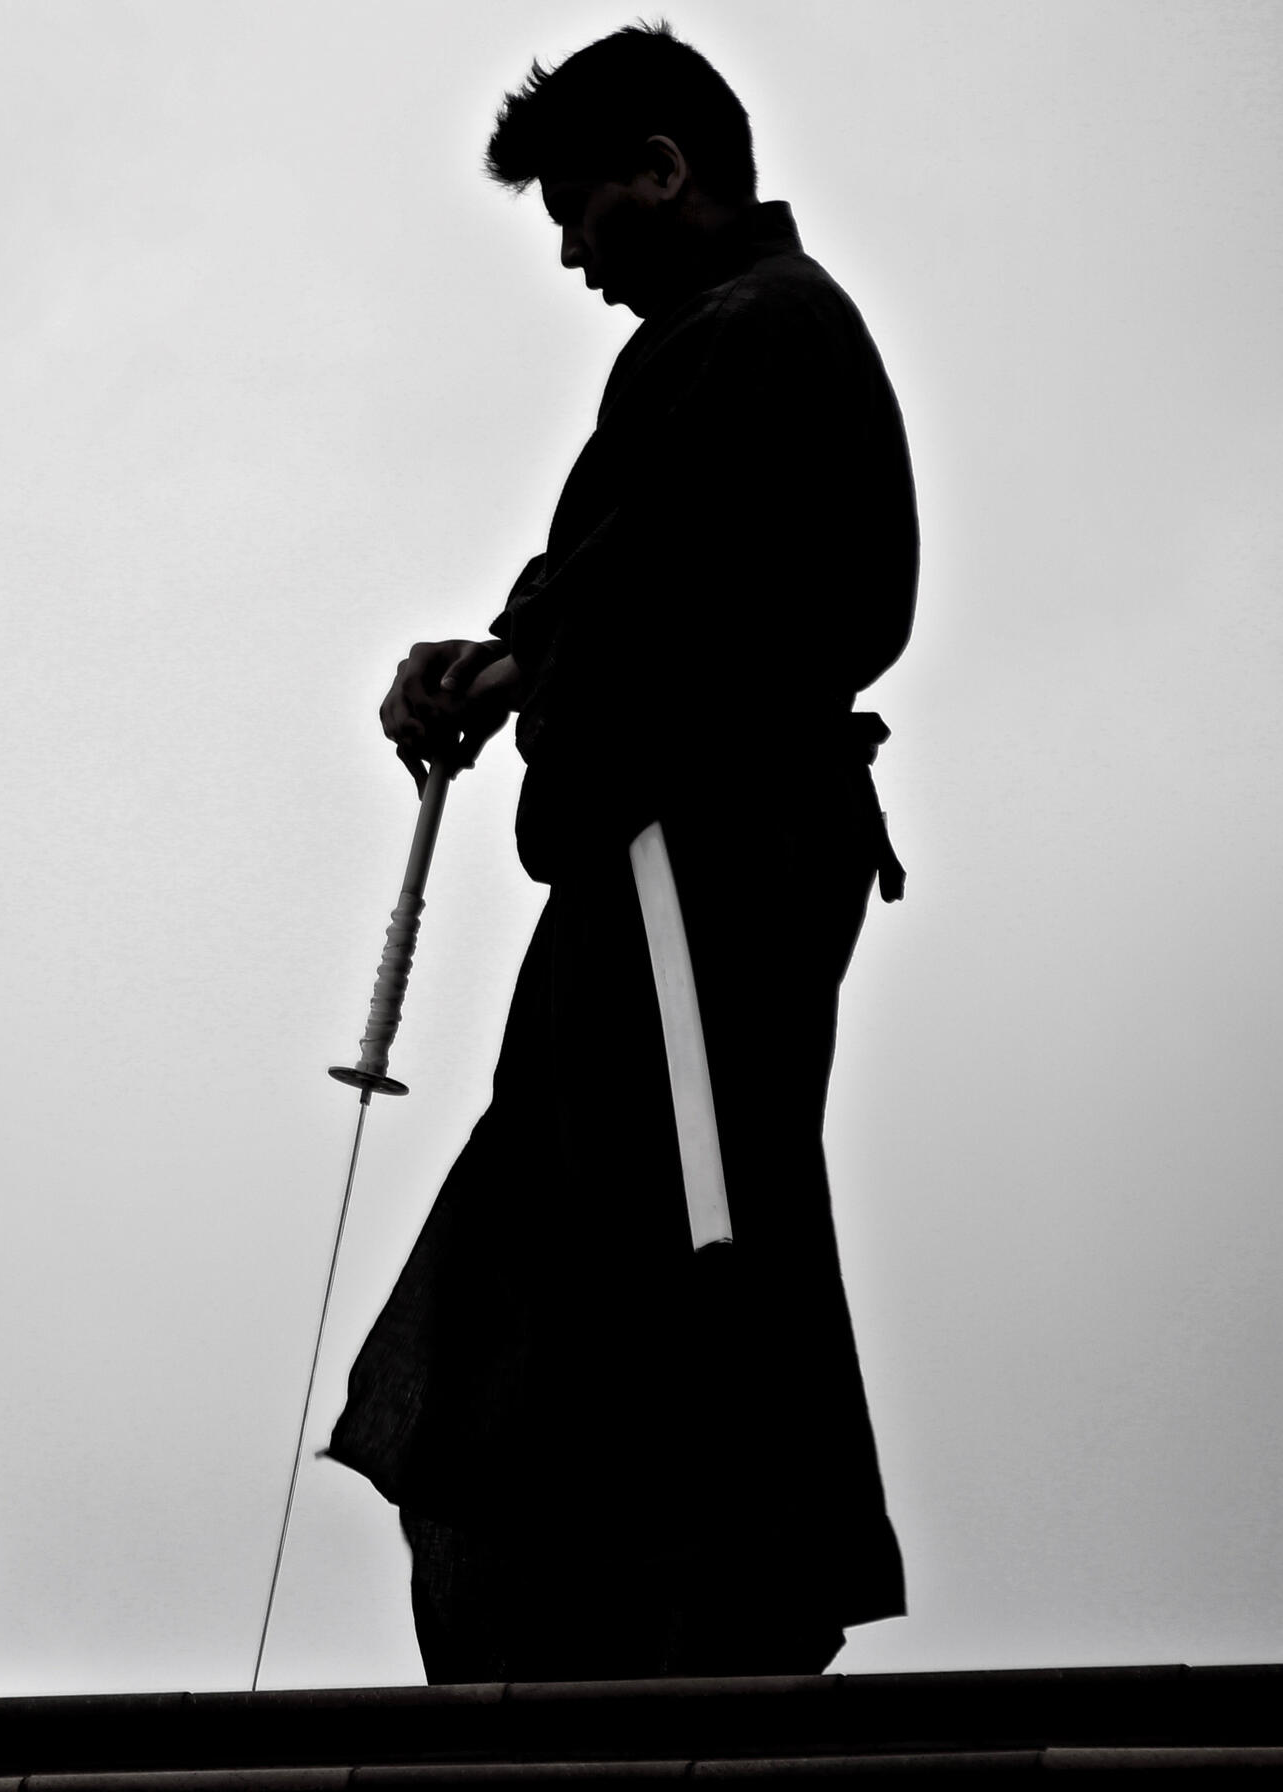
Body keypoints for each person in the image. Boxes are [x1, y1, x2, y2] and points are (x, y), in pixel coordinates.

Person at [324, 22, 917, 1683]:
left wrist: (526, 668)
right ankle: (611, 1582)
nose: (574, 254)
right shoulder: (723, 344)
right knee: (580, 1218)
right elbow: (627, 577)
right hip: (674, 851)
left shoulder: (757, 328)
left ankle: (708, 1594)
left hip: (699, 848)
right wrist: (503, 661)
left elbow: (678, 597)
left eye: (582, 210)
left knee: (678, 1229)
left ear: (666, 171)